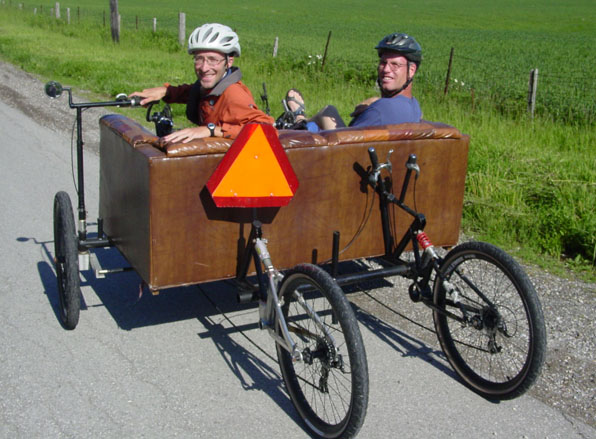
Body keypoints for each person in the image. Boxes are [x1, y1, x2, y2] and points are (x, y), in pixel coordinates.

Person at [130, 23, 274, 142]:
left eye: (213, 59)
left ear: (229, 61)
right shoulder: (211, 87)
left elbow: (266, 129)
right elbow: (192, 92)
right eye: (199, 59)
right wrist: (166, 91)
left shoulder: (233, 94)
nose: (204, 68)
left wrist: (210, 130)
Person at [283, 32, 422, 132]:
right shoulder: (414, 107)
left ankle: (298, 119)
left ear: (411, 70)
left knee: (328, 111)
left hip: (345, 164)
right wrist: (373, 102)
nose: (386, 69)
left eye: (395, 65)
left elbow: (346, 144)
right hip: (381, 165)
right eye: (383, 62)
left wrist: (374, 107)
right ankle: (300, 120)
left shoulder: (380, 111)